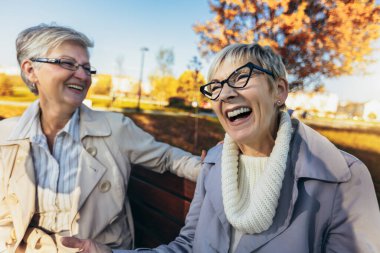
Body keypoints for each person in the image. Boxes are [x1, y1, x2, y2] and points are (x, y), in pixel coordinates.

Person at [66, 43, 380, 252]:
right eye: (215, 86)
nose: (224, 94)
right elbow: (189, 245)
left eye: (242, 78)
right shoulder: (214, 164)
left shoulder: (344, 177)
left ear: (279, 90)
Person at [0, 24, 201, 253]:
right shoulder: (5, 136)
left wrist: (220, 166)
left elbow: (168, 158)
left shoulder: (116, 128)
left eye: (87, 68)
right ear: (30, 70)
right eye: (67, 63)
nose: (83, 75)